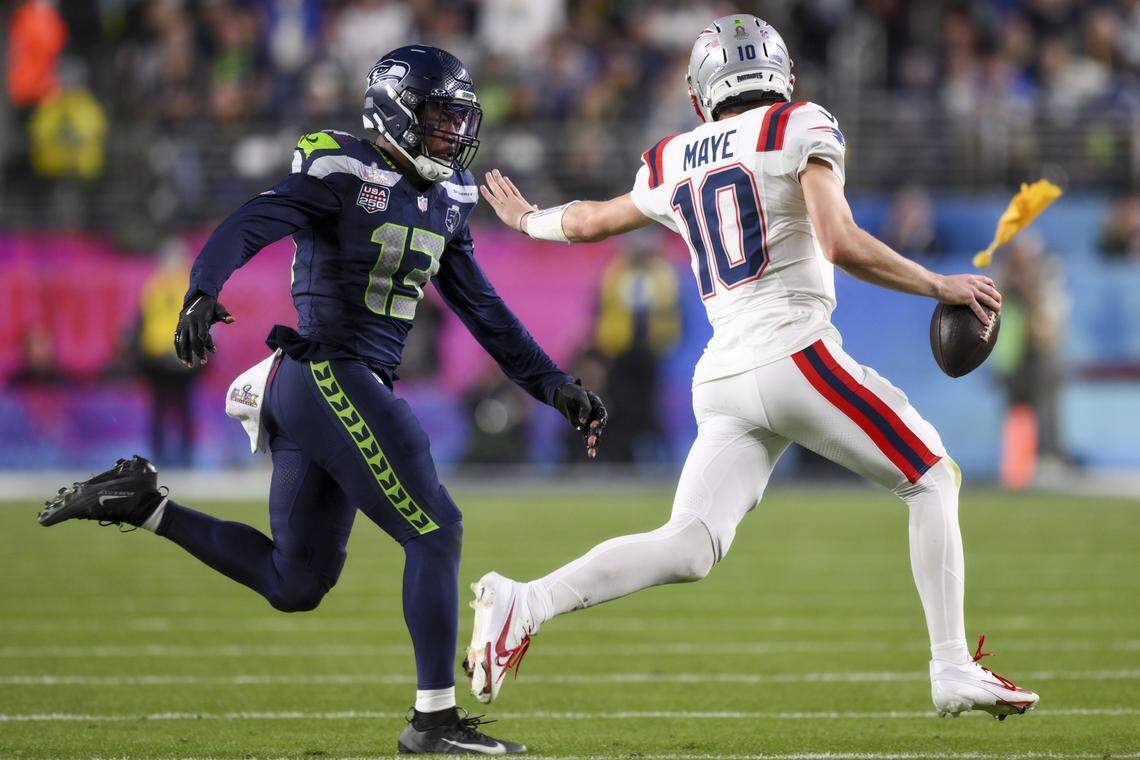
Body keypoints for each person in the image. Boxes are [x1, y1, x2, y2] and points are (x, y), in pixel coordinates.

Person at [37, 45, 607, 755]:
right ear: (393, 113)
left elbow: (485, 312)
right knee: (436, 528)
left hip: (336, 387)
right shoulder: (344, 171)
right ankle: (433, 722)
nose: (451, 134)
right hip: (329, 369)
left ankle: (142, 505)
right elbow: (250, 221)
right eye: (436, 118)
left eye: (459, 119)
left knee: (294, 580)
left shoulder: (449, 199)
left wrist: (553, 385)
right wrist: (203, 289)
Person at [468, 14, 1038, 721]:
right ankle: (952, 667)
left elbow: (588, 221)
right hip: (793, 352)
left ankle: (527, 601)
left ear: (702, 89)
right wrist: (938, 284)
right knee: (931, 476)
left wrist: (527, 221)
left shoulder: (672, 156)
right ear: (780, 75)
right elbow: (837, 239)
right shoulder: (798, 124)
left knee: (691, 546)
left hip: (725, 376)